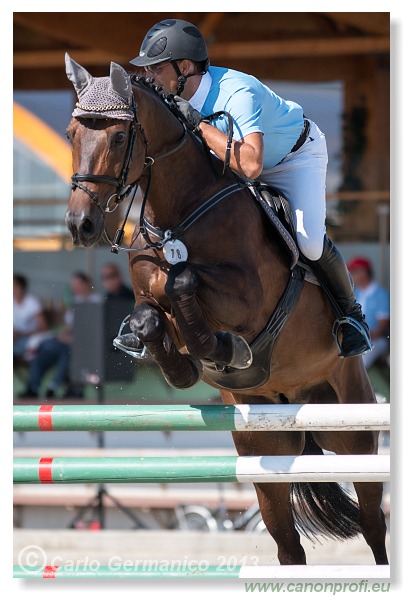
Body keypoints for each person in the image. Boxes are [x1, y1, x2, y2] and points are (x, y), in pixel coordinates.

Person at [128, 18, 372, 359]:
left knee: (310, 243)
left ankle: (351, 315)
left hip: (292, 160)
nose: (149, 77)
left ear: (184, 67)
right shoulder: (170, 99)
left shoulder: (237, 92)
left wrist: (196, 123)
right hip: (231, 161)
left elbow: (252, 165)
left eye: (155, 68)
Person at [18, 272, 102, 399]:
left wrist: (73, 338)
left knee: (67, 352)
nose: (75, 289)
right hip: (68, 340)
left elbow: (95, 328)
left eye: (78, 286)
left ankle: (54, 386)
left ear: (87, 284)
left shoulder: (97, 301)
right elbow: (67, 325)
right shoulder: (75, 300)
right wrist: (63, 334)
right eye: (73, 286)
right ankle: (33, 386)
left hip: (84, 344)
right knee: (43, 348)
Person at [347, 257, 390, 370]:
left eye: (354, 272)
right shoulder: (354, 293)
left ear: (364, 272)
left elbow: (382, 325)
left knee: (359, 362)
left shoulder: (380, 294)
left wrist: (365, 339)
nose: (351, 275)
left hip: (376, 340)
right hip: (355, 339)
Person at [13, 274, 49, 362]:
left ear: (20, 287)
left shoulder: (32, 303)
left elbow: (43, 327)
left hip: (27, 339)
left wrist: (21, 334)